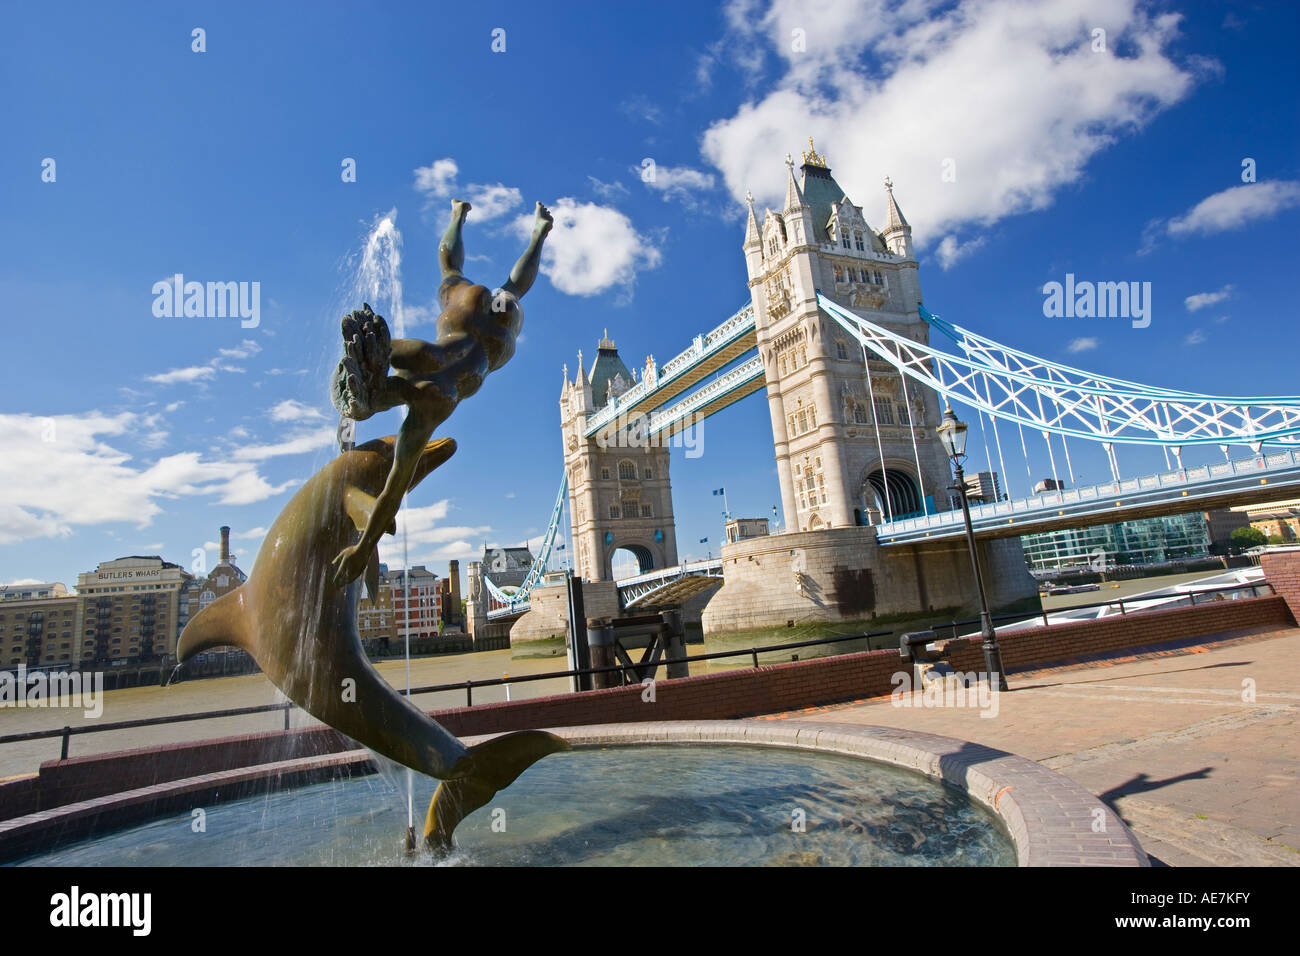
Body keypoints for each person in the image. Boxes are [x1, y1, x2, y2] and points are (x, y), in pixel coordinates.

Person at [330, 198, 553, 588]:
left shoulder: (433, 404)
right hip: (465, 314)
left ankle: (536, 233)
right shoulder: (410, 358)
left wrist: (364, 548)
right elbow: (363, 363)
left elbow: (394, 489)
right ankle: (461, 215)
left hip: (496, 333)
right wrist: (347, 424)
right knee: (454, 271)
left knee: (511, 289)